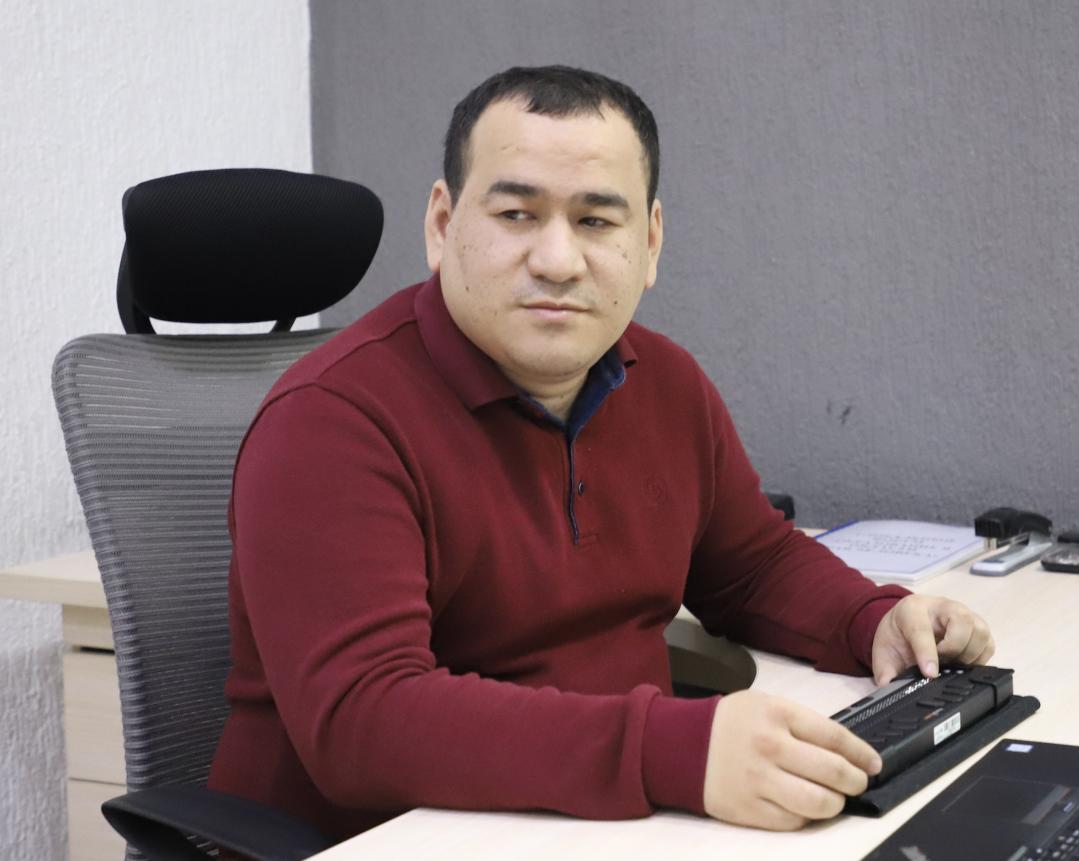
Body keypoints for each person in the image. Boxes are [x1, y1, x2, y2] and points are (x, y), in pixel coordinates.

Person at [207, 65, 994, 841]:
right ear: (443, 226)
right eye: (516, 213)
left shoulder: (667, 383)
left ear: (649, 243)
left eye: (595, 221)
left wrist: (873, 618)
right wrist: (671, 749)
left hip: (595, 826)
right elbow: (363, 721)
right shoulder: (330, 421)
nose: (557, 259)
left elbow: (752, 566)